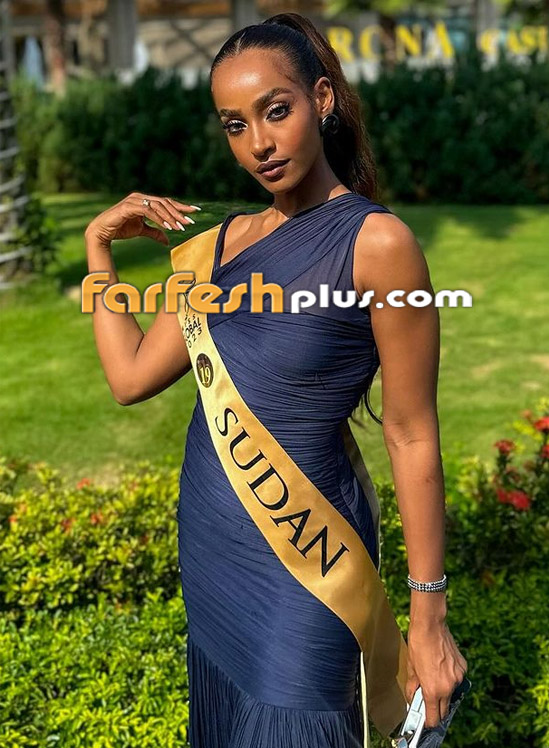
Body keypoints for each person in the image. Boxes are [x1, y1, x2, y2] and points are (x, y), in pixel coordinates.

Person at [84, 12, 468, 748]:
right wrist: (98, 249)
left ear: (322, 100)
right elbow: (130, 377)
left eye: (276, 110)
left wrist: (430, 619)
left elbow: (411, 431)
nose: (258, 142)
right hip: (213, 545)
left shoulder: (378, 244)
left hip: (308, 560)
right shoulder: (214, 248)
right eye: (235, 125)